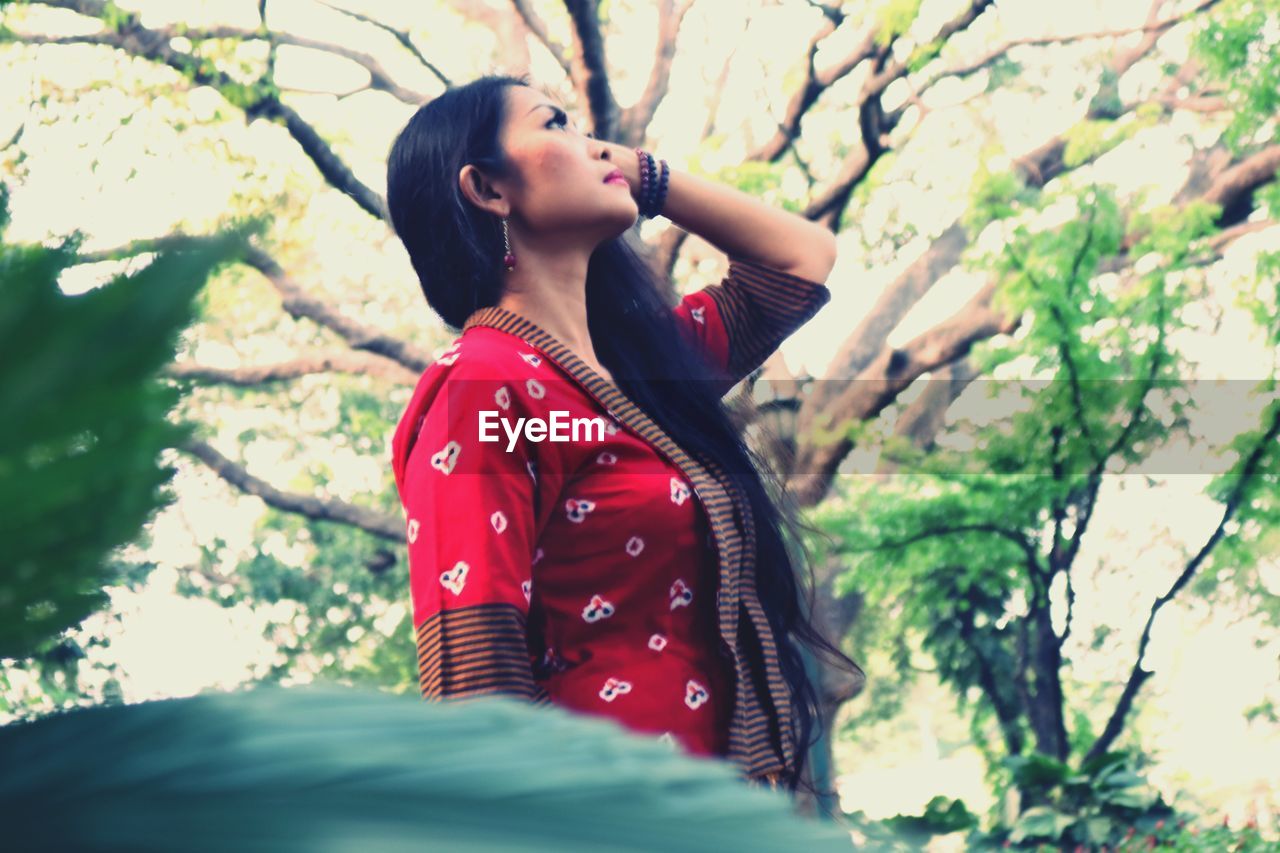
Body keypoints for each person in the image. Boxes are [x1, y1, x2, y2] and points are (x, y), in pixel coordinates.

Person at [385, 73, 863, 799]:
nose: (592, 145)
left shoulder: (646, 373)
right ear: (487, 189)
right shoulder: (481, 385)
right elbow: (476, 676)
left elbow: (801, 262)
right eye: (556, 124)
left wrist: (645, 175)